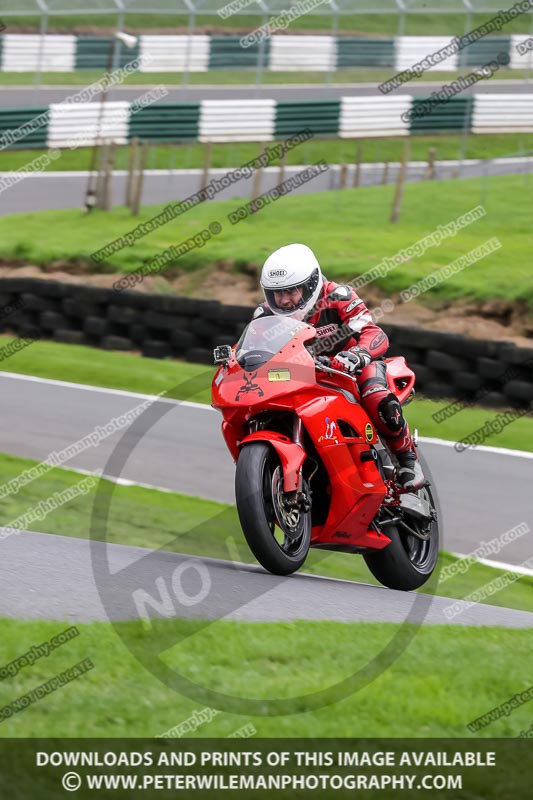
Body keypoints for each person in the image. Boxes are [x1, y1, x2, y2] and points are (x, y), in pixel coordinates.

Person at [252, 243, 425, 491]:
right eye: (277, 293)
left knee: (377, 395)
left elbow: (373, 333)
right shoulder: (265, 314)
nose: (284, 300)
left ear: (310, 285)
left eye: (291, 291)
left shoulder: (337, 296)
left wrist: (357, 355)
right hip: (302, 375)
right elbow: (253, 347)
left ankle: (407, 459)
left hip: (351, 367)